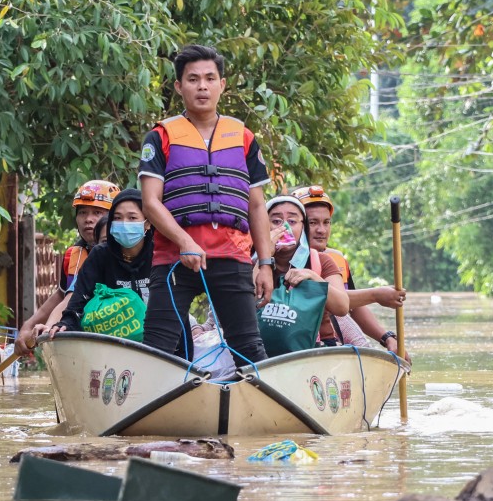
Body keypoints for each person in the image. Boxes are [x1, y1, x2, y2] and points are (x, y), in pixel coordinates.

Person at [139, 44, 274, 362]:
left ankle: (260, 407)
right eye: (193, 79)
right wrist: (185, 241)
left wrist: (265, 264)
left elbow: (256, 206)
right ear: (179, 86)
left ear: (222, 85)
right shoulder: (160, 137)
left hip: (232, 255)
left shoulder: (244, 137)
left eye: (210, 78)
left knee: (249, 347)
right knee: (157, 348)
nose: (202, 86)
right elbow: (150, 203)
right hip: (174, 258)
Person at [293, 185, 408, 358]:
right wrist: (376, 295)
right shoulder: (285, 258)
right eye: (313, 223)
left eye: (326, 222)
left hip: (334, 336)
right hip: (300, 339)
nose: (321, 230)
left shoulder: (336, 259)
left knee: (370, 354)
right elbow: (339, 303)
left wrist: (387, 338)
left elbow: (352, 307)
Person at [14, 179, 116, 353]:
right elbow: (64, 294)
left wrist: (47, 327)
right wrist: (28, 327)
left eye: (97, 212)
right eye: (82, 212)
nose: (89, 220)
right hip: (77, 336)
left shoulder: (126, 252)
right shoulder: (74, 254)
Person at [47, 188, 153, 336]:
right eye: (117, 217)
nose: (124, 223)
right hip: (109, 344)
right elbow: (77, 301)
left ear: (148, 223)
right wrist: (66, 323)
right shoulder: (99, 255)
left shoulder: (160, 254)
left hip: (157, 341)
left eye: (132, 218)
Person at [262, 195, 349, 347]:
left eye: (292, 221)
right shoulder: (251, 262)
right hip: (261, 351)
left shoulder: (322, 261)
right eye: (276, 221)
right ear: (262, 226)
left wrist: (313, 276)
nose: (285, 228)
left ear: (303, 228)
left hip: (314, 350)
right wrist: (265, 257)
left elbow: (342, 307)